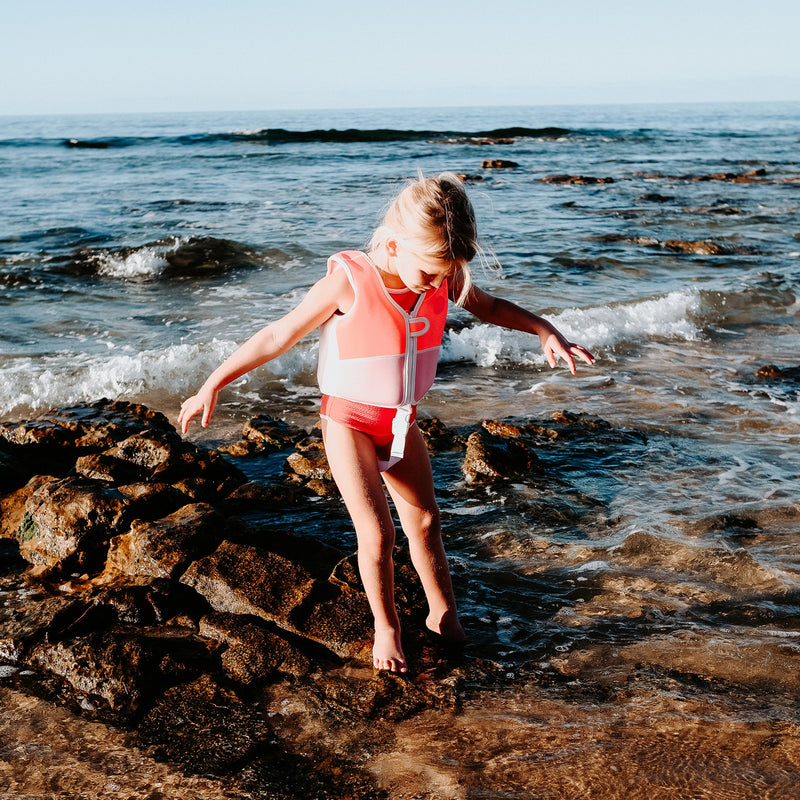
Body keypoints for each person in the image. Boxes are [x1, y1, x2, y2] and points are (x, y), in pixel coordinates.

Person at [179, 172, 594, 674]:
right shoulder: (349, 281)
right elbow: (277, 335)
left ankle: (444, 617)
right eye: (430, 273)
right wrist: (212, 383)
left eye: (447, 274)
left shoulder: (445, 273)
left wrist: (545, 331)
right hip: (348, 421)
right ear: (394, 245)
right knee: (377, 535)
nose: (439, 284)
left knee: (425, 521)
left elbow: (491, 307)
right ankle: (387, 626)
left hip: (401, 422)